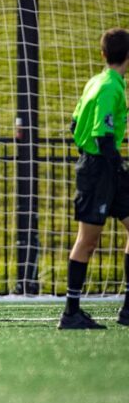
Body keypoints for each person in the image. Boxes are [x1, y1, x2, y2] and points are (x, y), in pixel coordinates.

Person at [61, 28, 129, 330]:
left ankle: (128, 309)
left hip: (102, 166)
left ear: (104, 54)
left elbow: (75, 122)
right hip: (100, 168)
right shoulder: (110, 88)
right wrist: (115, 168)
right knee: (87, 241)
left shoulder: (97, 81)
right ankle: (71, 312)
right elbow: (102, 135)